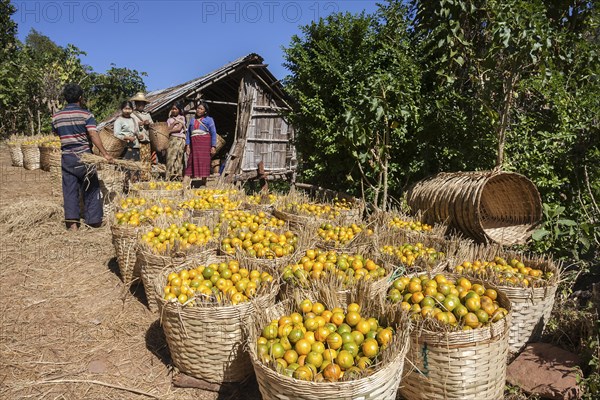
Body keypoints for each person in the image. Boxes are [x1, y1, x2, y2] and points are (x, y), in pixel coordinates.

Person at [51, 83, 114, 231]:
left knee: (70, 190)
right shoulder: (86, 115)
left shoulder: (56, 117)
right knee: (91, 188)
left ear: (66, 98)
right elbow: (93, 133)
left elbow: (56, 134)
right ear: (80, 97)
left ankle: (73, 225)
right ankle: (93, 221)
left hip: (67, 158)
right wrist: (105, 154)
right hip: (85, 157)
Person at [185, 102, 217, 187]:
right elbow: (188, 133)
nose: (199, 110)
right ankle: (186, 183)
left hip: (205, 143)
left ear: (205, 111)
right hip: (194, 143)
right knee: (191, 161)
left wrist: (213, 146)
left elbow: (213, 133)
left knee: (204, 162)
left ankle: (204, 182)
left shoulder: (209, 120)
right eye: (198, 108)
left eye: (201, 109)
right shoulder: (192, 120)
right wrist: (187, 145)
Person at [130, 92, 153, 180]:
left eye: (142, 103)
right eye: (138, 103)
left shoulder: (147, 115)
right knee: (137, 160)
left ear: (144, 104)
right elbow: (129, 127)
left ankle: (146, 178)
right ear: (135, 103)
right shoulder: (131, 115)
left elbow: (153, 127)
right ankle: (137, 178)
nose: (140, 105)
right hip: (136, 141)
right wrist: (138, 124)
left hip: (146, 140)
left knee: (146, 159)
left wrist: (148, 124)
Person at [166, 102, 187, 180]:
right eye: (172, 109)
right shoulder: (169, 120)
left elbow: (178, 129)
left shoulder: (182, 118)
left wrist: (170, 130)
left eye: (175, 109)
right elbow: (167, 129)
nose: (174, 110)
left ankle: (178, 177)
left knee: (179, 158)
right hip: (171, 140)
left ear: (179, 110)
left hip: (180, 140)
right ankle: (168, 177)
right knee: (170, 158)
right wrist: (173, 123)